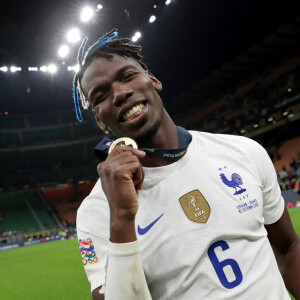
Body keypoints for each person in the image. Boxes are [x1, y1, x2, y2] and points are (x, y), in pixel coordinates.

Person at [74, 29, 300, 299]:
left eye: (128, 76)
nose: (120, 93)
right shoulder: (94, 213)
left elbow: (288, 250)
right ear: (100, 120)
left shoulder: (244, 151)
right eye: (100, 96)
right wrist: (122, 218)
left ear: (153, 80)